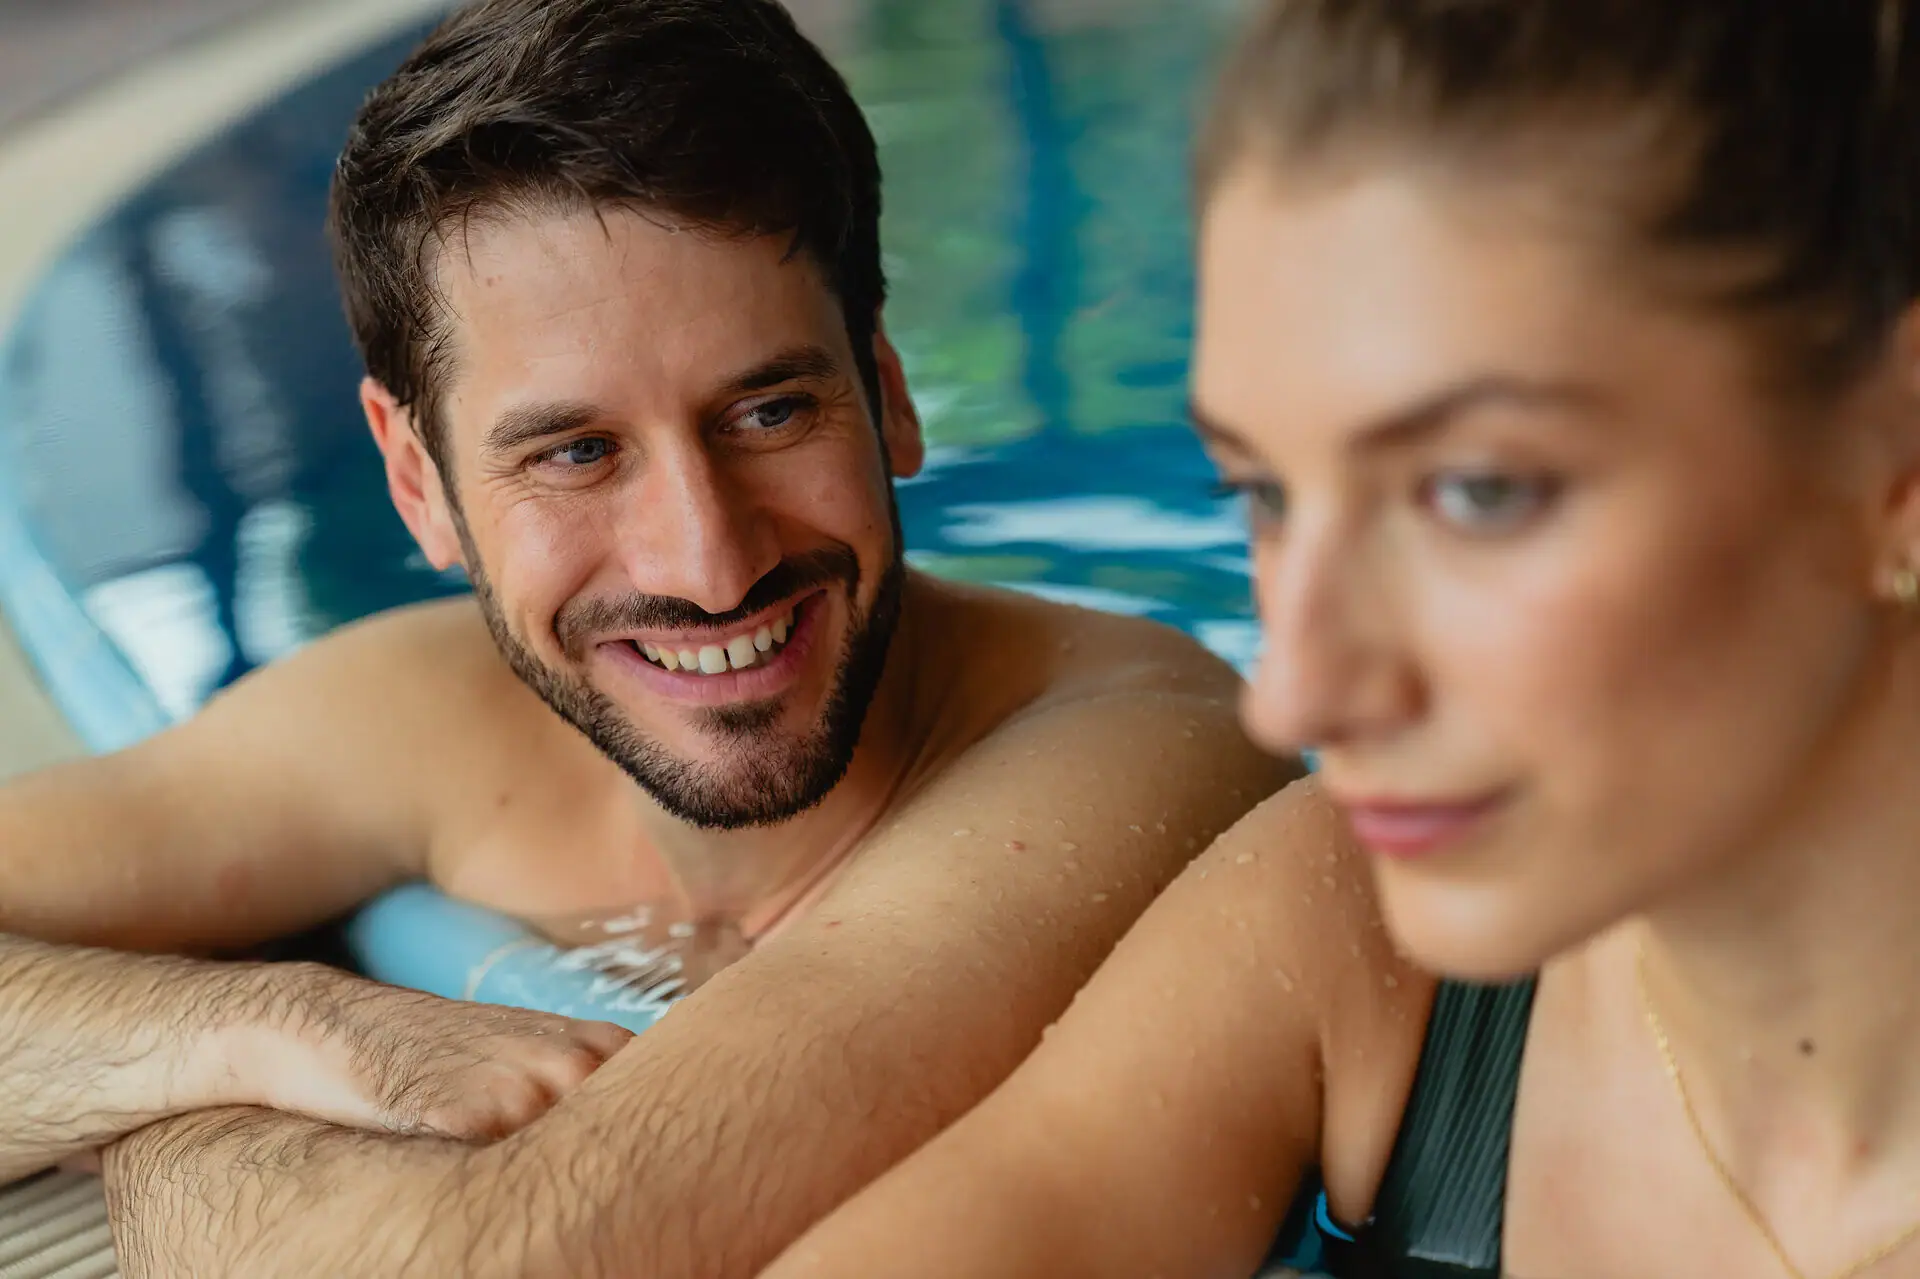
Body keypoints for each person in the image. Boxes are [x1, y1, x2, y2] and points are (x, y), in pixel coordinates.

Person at [0, 1, 1289, 1274]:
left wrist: (160, 1130)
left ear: (887, 399)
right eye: (576, 452)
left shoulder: (1127, 749)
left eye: (771, 412)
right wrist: (265, 1025)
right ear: (418, 485)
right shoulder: (417, 718)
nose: (709, 561)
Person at [760, 3, 1920, 1277]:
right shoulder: (1355, 937)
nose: (1297, 695)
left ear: (1894, 463)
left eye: (1477, 492)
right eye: (1264, 494)